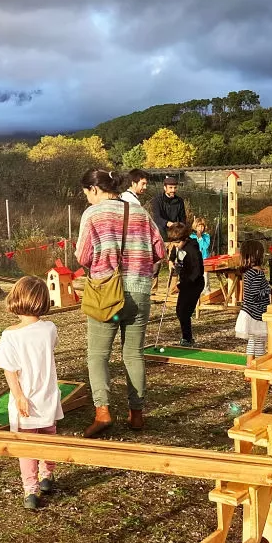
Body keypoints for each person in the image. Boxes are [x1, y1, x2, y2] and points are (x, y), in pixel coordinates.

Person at [76, 168, 166, 437]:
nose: (87, 199)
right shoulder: (140, 212)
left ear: (94, 189)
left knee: (98, 355)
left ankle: (103, 413)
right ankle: (136, 415)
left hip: (107, 295)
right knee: (134, 353)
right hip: (139, 292)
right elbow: (159, 250)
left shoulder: (92, 214)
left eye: (86, 194)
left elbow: (83, 256)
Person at [0, 276, 64, 510]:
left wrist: (19, 396)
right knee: (48, 436)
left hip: (25, 400)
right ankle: (46, 475)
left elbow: (10, 371)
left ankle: (31, 488)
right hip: (48, 397)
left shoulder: (10, 335)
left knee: (26, 445)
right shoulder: (50, 328)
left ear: (16, 299)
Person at [236, 240, 272, 367]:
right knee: (259, 343)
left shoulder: (252, 272)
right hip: (255, 315)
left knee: (253, 342)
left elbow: (266, 285)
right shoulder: (255, 273)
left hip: (251, 313)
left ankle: (249, 367)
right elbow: (255, 294)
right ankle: (259, 368)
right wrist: (270, 290)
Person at [168, 222, 204, 346]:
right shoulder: (178, 245)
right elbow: (173, 251)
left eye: (177, 243)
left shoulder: (192, 250)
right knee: (180, 311)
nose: (176, 245)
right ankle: (187, 338)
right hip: (185, 282)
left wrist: (180, 286)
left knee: (184, 312)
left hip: (194, 284)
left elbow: (197, 272)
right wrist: (171, 261)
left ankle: (187, 339)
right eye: (174, 243)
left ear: (185, 239)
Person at [150, 176, 187, 292]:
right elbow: (157, 217)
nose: (173, 190)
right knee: (156, 264)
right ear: (165, 187)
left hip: (175, 237)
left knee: (176, 263)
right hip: (160, 235)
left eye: (175, 187)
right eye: (170, 187)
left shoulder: (180, 201)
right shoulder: (157, 200)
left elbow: (183, 219)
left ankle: (172, 289)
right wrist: (169, 223)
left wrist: (181, 231)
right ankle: (153, 291)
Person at [190, 215, 211, 287]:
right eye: (198, 226)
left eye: (202, 226)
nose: (200, 228)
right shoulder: (192, 237)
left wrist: (200, 238)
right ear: (195, 227)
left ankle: (206, 289)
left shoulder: (206, 236)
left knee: (205, 276)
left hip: (204, 258)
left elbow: (205, 246)